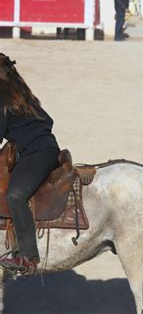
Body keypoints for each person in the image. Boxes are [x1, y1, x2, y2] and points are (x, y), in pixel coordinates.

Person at [0, 53, 60, 275]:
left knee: (15, 196)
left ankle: (28, 257)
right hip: (45, 148)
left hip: (37, 153)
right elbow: (49, 120)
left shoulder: (2, 97)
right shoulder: (21, 93)